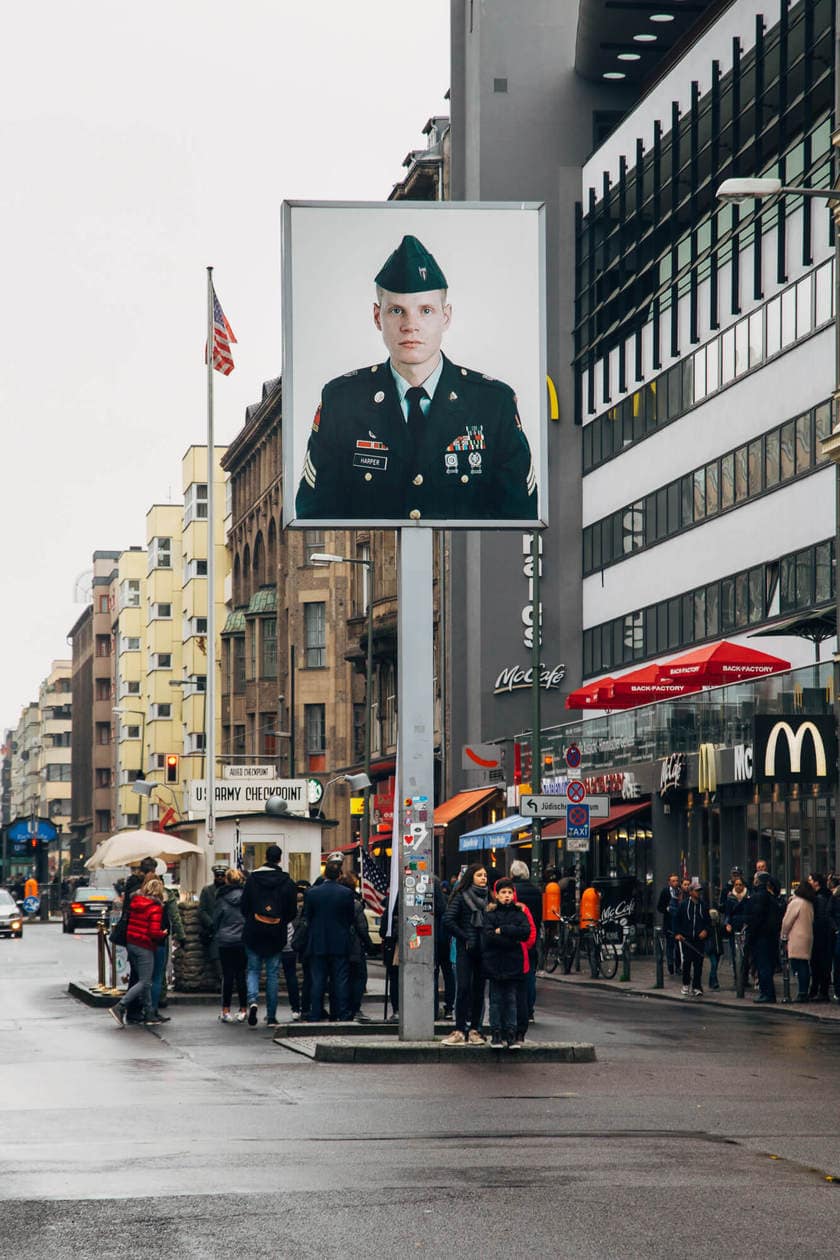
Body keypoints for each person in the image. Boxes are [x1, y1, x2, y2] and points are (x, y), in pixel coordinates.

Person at [295, 234, 538, 523]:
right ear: (377, 317)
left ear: (445, 317)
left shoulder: (492, 404)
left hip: (464, 567)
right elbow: (315, 515)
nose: (411, 326)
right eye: (397, 311)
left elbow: (520, 516)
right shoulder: (343, 402)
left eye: (425, 311)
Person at [240, 844, 297, 1028]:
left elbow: (244, 906)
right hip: (276, 932)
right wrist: (280, 920)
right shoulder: (287, 881)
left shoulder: (253, 879)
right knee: (273, 974)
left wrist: (252, 918)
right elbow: (292, 911)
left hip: (254, 930)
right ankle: (271, 1016)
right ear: (280, 859)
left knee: (253, 970)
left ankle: (253, 1001)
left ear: (265, 856)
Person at [109, 878, 168, 1027]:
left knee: (144, 981)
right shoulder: (155, 908)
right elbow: (153, 932)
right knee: (145, 981)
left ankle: (149, 1013)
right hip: (144, 946)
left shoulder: (137, 903)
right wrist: (163, 933)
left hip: (132, 943)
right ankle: (120, 1006)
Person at [442, 864, 489, 1047]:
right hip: (465, 949)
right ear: (471, 877)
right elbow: (448, 920)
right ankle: (460, 1030)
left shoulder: (488, 897)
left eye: (485, 875)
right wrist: (464, 937)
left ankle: (475, 1030)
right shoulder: (462, 896)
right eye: (479, 875)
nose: (483, 878)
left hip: (482, 949)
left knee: (478, 991)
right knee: (463, 989)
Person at [483, 878, 532, 1049]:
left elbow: (525, 932)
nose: (507, 896)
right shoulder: (490, 914)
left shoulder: (520, 913)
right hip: (496, 962)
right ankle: (496, 1033)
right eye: (503, 892)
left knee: (511, 999)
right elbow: (488, 936)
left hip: (513, 963)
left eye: (509, 892)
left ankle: (511, 1034)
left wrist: (503, 930)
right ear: (496, 895)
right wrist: (512, 938)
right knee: (496, 1000)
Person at [304, 861, 354, 1022]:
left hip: (318, 941)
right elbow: (349, 918)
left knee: (318, 980)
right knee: (340, 980)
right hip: (339, 940)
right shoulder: (346, 893)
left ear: (324, 874)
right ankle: (341, 1012)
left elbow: (308, 917)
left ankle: (316, 1013)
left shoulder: (312, 893)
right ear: (339, 875)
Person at [214, 868, 248, 1023]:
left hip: (225, 939)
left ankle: (226, 1010)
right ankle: (243, 1009)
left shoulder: (222, 897)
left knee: (227, 975)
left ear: (227, 880)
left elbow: (216, 919)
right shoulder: (246, 896)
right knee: (241, 974)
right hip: (242, 939)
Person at [509, 859, 542, 1022]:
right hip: (532, 937)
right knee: (530, 975)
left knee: (517, 974)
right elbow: (539, 917)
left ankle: (517, 1008)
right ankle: (530, 1010)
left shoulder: (511, 891)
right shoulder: (536, 891)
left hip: (517, 937)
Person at [340, 873, 372, 1022]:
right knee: (359, 977)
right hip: (354, 947)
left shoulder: (336, 901)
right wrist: (370, 945)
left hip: (338, 946)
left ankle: (342, 1007)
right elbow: (362, 928)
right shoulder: (355, 904)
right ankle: (354, 1007)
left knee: (342, 978)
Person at [748, 871, 782, 1004]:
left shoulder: (759, 897)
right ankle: (768, 993)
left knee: (763, 966)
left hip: (762, 937)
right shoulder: (772, 897)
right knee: (766, 966)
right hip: (770, 936)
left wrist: (752, 934)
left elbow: (756, 918)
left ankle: (766, 994)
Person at [781, 880, 816, 1002]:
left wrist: (783, 936)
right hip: (807, 937)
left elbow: (787, 922)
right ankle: (804, 991)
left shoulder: (796, 902)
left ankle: (801, 992)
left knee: (797, 965)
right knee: (804, 964)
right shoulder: (809, 903)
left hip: (796, 937)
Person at [675, 880, 710, 998]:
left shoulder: (703, 905)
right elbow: (677, 920)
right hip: (687, 938)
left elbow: (708, 922)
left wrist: (705, 930)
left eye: (699, 891)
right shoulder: (684, 905)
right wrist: (678, 933)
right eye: (696, 891)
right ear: (690, 892)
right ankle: (685, 984)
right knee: (687, 962)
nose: (698, 893)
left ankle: (697, 986)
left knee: (698, 963)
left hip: (699, 939)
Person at [199, 863, 228, 982]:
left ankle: (226, 980)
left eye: (222, 875)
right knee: (215, 955)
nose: (220, 878)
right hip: (213, 929)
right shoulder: (207, 891)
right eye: (218, 875)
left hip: (228, 927)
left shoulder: (229, 890)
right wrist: (211, 923)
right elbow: (202, 910)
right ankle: (221, 979)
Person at [807, 873, 833, 1002]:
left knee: (819, 964)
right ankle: (818, 990)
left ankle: (820, 991)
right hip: (823, 935)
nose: (809, 882)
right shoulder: (822, 895)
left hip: (820, 935)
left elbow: (821, 918)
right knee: (820, 964)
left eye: (810, 880)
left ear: (816, 882)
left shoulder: (820, 897)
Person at [433, 876, 455, 1021]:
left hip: (434, 940)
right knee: (448, 974)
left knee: (434, 974)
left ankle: (434, 1008)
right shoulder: (447, 903)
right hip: (444, 941)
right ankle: (448, 1007)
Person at [656, 873, 681, 975]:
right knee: (670, 945)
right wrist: (666, 909)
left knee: (678, 946)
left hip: (678, 923)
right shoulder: (665, 892)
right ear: (669, 882)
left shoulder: (680, 891)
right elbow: (659, 907)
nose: (675, 883)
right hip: (669, 923)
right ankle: (670, 964)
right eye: (673, 881)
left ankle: (678, 966)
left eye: (676, 881)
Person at [706, 908, 724, 991]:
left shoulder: (719, 927)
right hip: (712, 949)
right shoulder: (708, 927)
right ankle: (714, 982)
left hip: (718, 949)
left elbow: (724, 934)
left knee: (715, 966)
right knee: (714, 965)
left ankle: (711, 982)